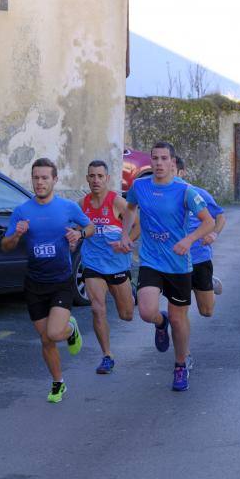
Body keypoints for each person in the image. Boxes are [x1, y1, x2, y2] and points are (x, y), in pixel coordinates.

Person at [113, 142, 215, 391]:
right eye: (155, 158)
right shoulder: (139, 186)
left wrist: (188, 240)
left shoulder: (186, 191)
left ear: (172, 163)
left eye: (163, 159)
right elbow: (129, 209)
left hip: (179, 265)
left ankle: (181, 364)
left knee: (180, 320)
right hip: (151, 260)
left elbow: (209, 221)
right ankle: (160, 322)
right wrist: (125, 235)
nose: (158, 163)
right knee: (147, 311)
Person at [2, 158, 95, 403]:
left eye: (45, 178)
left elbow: (90, 226)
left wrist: (79, 233)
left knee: (54, 333)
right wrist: (17, 235)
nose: (40, 182)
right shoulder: (22, 211)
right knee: (45, 339)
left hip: (61, 281)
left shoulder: (67, 208)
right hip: (34, 283)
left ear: (55, 180)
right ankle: (58, 383)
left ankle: (71, 328)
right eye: (36, 177)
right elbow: (6, 245)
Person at [77, 160, 139, 375]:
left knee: (127, 315)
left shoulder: (117, 201)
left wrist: (127, 241)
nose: (95, 180)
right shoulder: (81, 204)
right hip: (93, 264)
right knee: (97, 308)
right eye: (92, 176)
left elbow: (137, 223)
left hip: (117, 264)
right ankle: (107, 356)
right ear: (87, 178)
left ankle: (131, 293)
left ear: (107, 179)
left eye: (100, 176)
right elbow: (75, 228)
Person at [173, 156, 226, 318]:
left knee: (206, 311)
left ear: (182, 173)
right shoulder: (161, 197)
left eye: (173, 171)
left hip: (199, 257)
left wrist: (213, 233)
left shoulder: (198, 194)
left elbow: (220, 217)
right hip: (174, 259)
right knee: (178, 311)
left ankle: (207, 284)